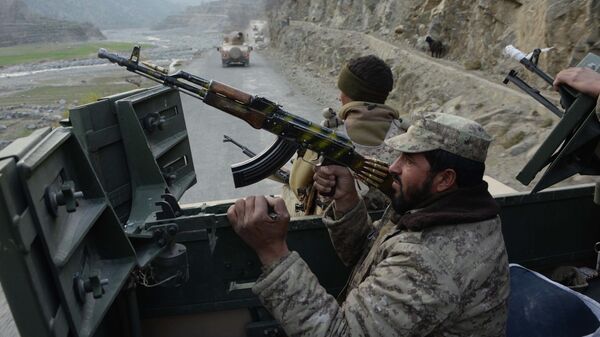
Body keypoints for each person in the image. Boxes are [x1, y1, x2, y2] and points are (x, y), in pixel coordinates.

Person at [227, 112, 510, 336]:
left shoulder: (431, 260)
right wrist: (348, 201)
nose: (393, 167)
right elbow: (368, 258)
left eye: (409, 160)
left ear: (445, 179)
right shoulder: (439, 208)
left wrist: (272, 251)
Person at [285, 55, 408, 215]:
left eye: (343, 91)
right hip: (390, 226)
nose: (339, 96)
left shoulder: (331, 134)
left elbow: (298, 185)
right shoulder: (407, 137)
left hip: (336, 226)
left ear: (351, 93)